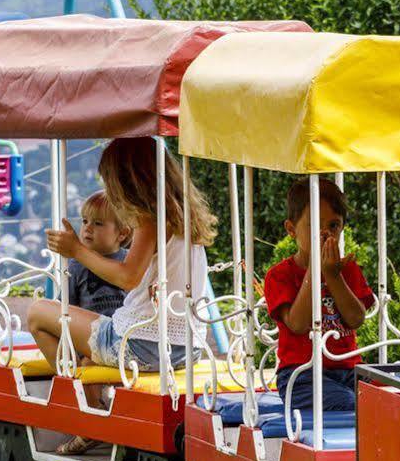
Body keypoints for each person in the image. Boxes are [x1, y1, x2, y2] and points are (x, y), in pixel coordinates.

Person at [23, 137, 216, 374]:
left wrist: (76, 250)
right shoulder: (183, 218)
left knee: (38, 312)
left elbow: (128, 277)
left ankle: (72, 388)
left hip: (139, 345)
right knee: (89, 337)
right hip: (188, 346)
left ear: (127, 182)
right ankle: (89, 371)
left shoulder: (150, 219)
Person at [261, 179, 375, 420]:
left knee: (397, 393)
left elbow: (356, 319)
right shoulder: (279, 276)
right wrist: (316, 269)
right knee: (351, 403)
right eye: (315, 226)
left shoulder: (347, 269)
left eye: (334, 225)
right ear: (291, 229)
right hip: (301, 376)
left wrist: (333, 276)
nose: (325, 233)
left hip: (348, 370)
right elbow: (298, 324)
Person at [36, 191, 128, 347]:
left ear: (122, 233)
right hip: (90, 340)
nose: (88, 228)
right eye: (85, 221)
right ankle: (71, 368)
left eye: (98, 223)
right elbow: (65, 310)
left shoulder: (130, 261)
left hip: (125, 335)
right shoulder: (76, 266)